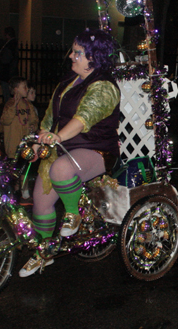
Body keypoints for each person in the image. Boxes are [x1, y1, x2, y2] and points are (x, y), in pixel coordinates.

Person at [19, 30, 121, 277]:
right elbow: (50, 117)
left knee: (61, 169)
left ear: (94, 58)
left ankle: (72, 214)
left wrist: (59, 137)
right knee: (40, 200)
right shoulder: (66, 83)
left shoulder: (104, 86)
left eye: (78, 53)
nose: (71, 57)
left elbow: (83, 118)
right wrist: (38, 140)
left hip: (96, 149)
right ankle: (45, 252)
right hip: (64, 149)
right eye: (73, 51)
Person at [1, 76, 39, 199]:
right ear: (16, 89)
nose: (27, 89)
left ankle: (25, 189)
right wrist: (14, 105)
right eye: (24, 87)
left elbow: (34, 120)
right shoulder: (9, 104)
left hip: (25, 143)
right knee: (14, 170)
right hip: (13, 145)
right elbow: (5, 120)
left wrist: (33, 126)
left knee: (24, 168)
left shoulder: (28, 105)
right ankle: (14, 191)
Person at [0, 27, 18, 103]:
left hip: (7, 73)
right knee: (8, 92)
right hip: (8, 73)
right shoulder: (11, 43)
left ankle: (8, 107)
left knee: (7, 92)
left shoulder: (10, 45)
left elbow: (5, 60)